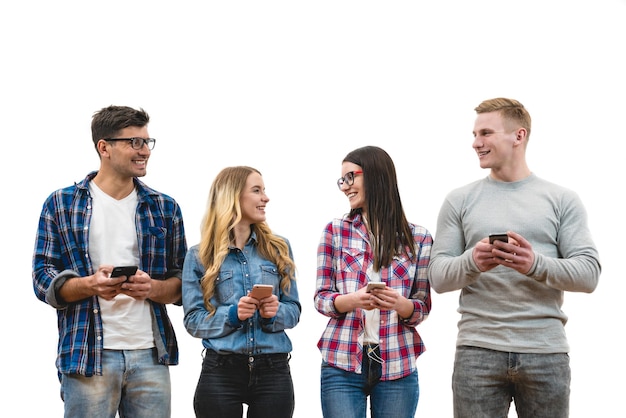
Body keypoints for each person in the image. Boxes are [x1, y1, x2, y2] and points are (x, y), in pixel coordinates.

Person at [428, 98, 601, 418]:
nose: (476, 143)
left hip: (545, 354)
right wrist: (473, 262)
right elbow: (437, 277)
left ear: (518, 136)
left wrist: (533, 264)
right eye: (475, 134)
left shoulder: (562, 199)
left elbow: (589, 274)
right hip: (477, 353)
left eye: (486, 133)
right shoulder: (459, 200)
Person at [32, 105, 188, 418]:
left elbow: (184, 283)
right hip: (88, 354)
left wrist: (151, 288)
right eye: (134, 142)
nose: (144, 150)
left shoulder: (165, 207)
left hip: (150, 355)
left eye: (147, 142)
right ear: (104, 147)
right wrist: (89, 285)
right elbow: (42, 277)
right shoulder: (61, 203)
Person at [314, 146, 433, 418]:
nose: (344, 187)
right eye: (341, 180)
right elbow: (321, 298)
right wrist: (352, 300)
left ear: (376, 175)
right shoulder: (335, 231)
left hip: (397, 362)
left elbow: (422, 307)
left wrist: (401, 305)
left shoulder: (419, 238)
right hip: (342, 361)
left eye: (350, 177)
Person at [182, 166, 301, 418]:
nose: (265, 198)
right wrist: (232, 315)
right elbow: (193, 321)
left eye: (264, 191)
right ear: (233, 197)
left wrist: (274, 313)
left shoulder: (280, 248)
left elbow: (294, 310)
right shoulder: (198, 255)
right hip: (221, 371)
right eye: (257, 191)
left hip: (273, 370)